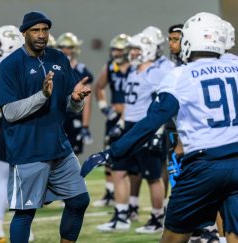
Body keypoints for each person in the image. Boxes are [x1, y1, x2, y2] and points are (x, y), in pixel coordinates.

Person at [82, 12, 238, 243]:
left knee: (173, 238)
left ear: (189, 40)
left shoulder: (180, 76)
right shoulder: (235, 64)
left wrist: (112, 152)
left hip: (203, 166)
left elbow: (152, 121)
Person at [0, 11, 91, 243]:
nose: (41, 35)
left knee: (79, 200)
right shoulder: (10, 65)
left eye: (45, 30)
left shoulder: (59, 58)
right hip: (28, 150)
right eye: (35, 30)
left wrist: (77, 99)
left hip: (59, 146)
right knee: (25, 212)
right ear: (24, 33)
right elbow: (9, 113)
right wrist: (42, 95)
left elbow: (71, 105)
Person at [97, 32, 166, 233]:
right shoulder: (134, 71)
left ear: (148, 50)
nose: (132, 53)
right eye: (132, 49)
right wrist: (121, 121)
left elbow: (163, 104)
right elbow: (130, 103)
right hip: (129, 128)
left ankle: (157, 218)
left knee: (153, 176)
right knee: (118, 171)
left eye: (137, 49)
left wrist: (157, 130)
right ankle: (121, 216)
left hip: (145, 128)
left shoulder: (155, 73)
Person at [0, 25, 34, 243]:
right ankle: (23, 227)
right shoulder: (25, 64)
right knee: (19, 179)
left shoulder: (3, 66)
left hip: (4, 121)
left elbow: (4, 99)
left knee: (1, 179)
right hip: (21, 122)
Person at [93, 33, 131, 207]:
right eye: (114, 49)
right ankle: (109, 191)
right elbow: (99, 86)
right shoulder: (110, 67)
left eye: (120, 49)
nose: (116, 53)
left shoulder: (136, 67)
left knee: (134, 157)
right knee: (108, 152)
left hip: (132, 116)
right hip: (114, 116)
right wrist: (103, 106)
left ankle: (132, 199)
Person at [56, 32, 94, 155]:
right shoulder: (52, 68)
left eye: (69, 47)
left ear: (75, 49)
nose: (66, 50)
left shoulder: (82, 71)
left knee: (72, 156)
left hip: (74, 115)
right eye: (62, 47)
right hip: (55, 117)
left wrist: (85, 126)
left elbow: (87, 102)